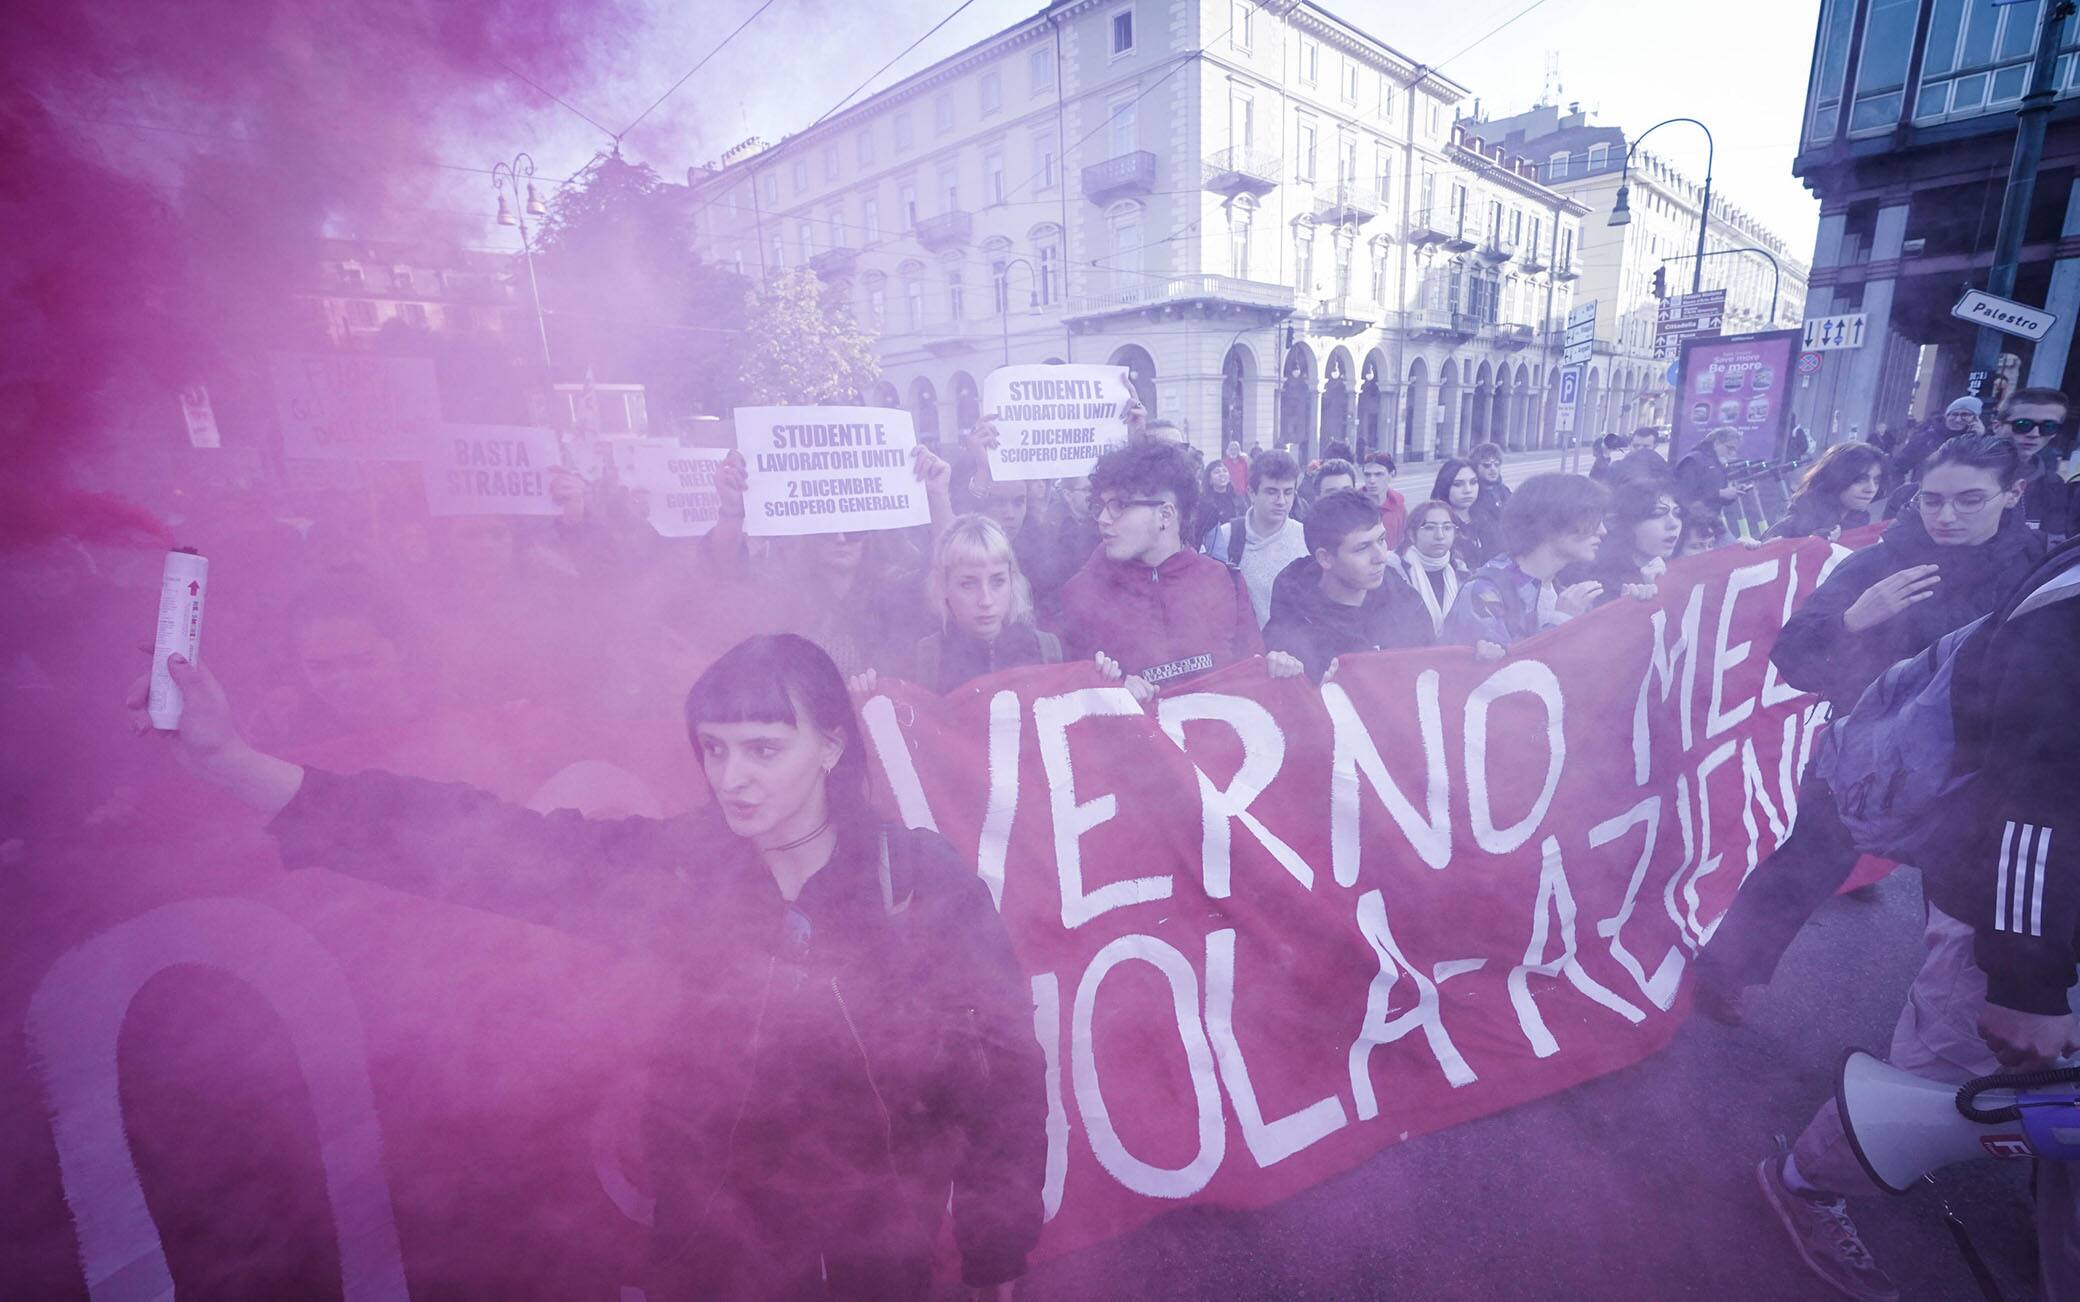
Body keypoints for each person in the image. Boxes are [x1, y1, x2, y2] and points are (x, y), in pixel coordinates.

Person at [129, 633, 1047, 1302]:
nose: (733, 779)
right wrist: (235, 764)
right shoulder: (682, 871)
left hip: (877, 1261)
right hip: (716, 1262)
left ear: (833, 748)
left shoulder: (920, 884)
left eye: (765, 748)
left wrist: (996, 1256)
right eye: (716, 750)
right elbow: (478, 844)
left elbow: (1003, 1074)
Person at [1757, 537, 2080, 1302]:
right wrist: (2026, 981)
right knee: (1946, 1082)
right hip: (2017, 919)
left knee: (2052, 1113)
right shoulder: (2067, 604)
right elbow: (2039, 794)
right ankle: (1805, 1184)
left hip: (2031, 909)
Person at [1696, 434, 2046, 1029]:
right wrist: (1857, 618)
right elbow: (1793, 654)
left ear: (2012, 494)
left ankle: (1956, 1024)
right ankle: (1725, 973)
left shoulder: (2036, 569)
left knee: (1963, 900)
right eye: (1933, 501)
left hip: (1977, 762)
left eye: (1969, 501)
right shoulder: (1885, 558)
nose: (1946, 517)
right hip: (1867, 752)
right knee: (1805, 864)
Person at [1061, 440, 1287, 695]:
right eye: (1100, 507)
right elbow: (1069, 696)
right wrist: (1109, 689)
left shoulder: (1224, 580)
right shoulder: (1083, 593)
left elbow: (1252, 678)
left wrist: (1278, 668)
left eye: (1119, 506)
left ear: (1166, 515)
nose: (1103, 519)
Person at [1262, 488, 1432, 680]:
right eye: (1362, 548)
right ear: (1326, 558)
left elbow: (1436, 672)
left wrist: (1472, 653)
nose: (1381, 557)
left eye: (1381, 540)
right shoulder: (1290, 625)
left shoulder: (1405, 602)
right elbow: (1279, 703)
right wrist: (1319, 692)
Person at [1439, 473, 1608, 651]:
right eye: (1591, 518)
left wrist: (1634, 605)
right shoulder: (1484, 592)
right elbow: (1496, 675)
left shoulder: (1560, 590)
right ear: (1550, 522)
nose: (1602, 530)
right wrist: (1560, 621)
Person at [901, 514, 1064, 694]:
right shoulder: (923, 661)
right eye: (968, 584)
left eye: (998, 581)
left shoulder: (1048, 651)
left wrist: (1099, 678)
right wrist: (866, 692)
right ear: (944, 586)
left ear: (1012, 581)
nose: (986, 600)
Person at [1202, 449, 1307, 628]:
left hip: (1294, 650)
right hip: (1243, 651)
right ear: (1251, 493)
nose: (1281, 501)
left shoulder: (1306, 539)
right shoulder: (1225, 537)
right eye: (1272, 492)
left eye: (1288, 492)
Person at [1567, 477, 1682, 602]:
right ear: (1629, 523)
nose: (1673, 524)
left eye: (1677, 513)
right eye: (1657, 514)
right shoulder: (1600, 582)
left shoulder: (1684, 567)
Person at [1992, 385, 2074, 542]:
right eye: (2023, 425)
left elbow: (2052, 541)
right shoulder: (1960, 471)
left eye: (2048, 427)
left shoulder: (2054, 485)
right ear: (1997, 426)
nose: (2034, 434)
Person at [1765, 441, 1885, 540]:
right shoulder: (1795, 525)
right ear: (1836, 478)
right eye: (1860, 480)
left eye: (1876, 481)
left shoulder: (1859, 523)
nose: (1871, 489)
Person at [1395, 499, 1469, 638]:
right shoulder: (1396, 571)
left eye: (1447, 528)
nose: (1440, 536)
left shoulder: (1460, 571)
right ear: (1411, 534)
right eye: (1429, 527)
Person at [1888, 394, 1981, 487]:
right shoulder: (1926, 439)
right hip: (1927, 496)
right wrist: (1900, 493)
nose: (1957, 419)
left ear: (1975, 419)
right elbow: (1897, 467)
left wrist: (1978, 438)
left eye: (1965, 415)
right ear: (1946, 416)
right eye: (1954, 414)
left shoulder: (1978, 442)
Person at [1430, 458, 1496, 570]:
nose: (1468, 490)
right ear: (1445, 486)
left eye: (1473, 482)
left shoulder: (1487, 519)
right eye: (1458, 484)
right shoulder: (1435, 526)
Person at [1673, 426, 1744, 515]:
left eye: (1734, 450)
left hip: (1708, 518)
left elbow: (1715, 498)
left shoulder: (1717, 463)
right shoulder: (1693, 460)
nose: (1732, 453)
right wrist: (1720, 493)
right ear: (1717, 442)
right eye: (1730, 448)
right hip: (1691, 519)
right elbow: (1684, 494)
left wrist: (1732, 493)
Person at [1191, 457, 1245, 550]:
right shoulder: (1204, 502)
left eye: (1224, 471)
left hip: (1236, 544)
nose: (1222, 474)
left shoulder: (1239, 499)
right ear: (1209, 480)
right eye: (1217, 472)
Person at [1467, 442, 1511, 549]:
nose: (1493, 469)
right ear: (1475, 467)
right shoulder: (1471, 494)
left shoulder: (1504, 491)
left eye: (1497, 464)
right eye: (1486, 465)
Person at [1361, 451, 1407, 546]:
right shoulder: (1353, 505)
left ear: (1391, 475)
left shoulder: (1398, 506)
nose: (1372, 480)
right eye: (1367, 475)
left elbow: (1405, 540)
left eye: (1378, 474)